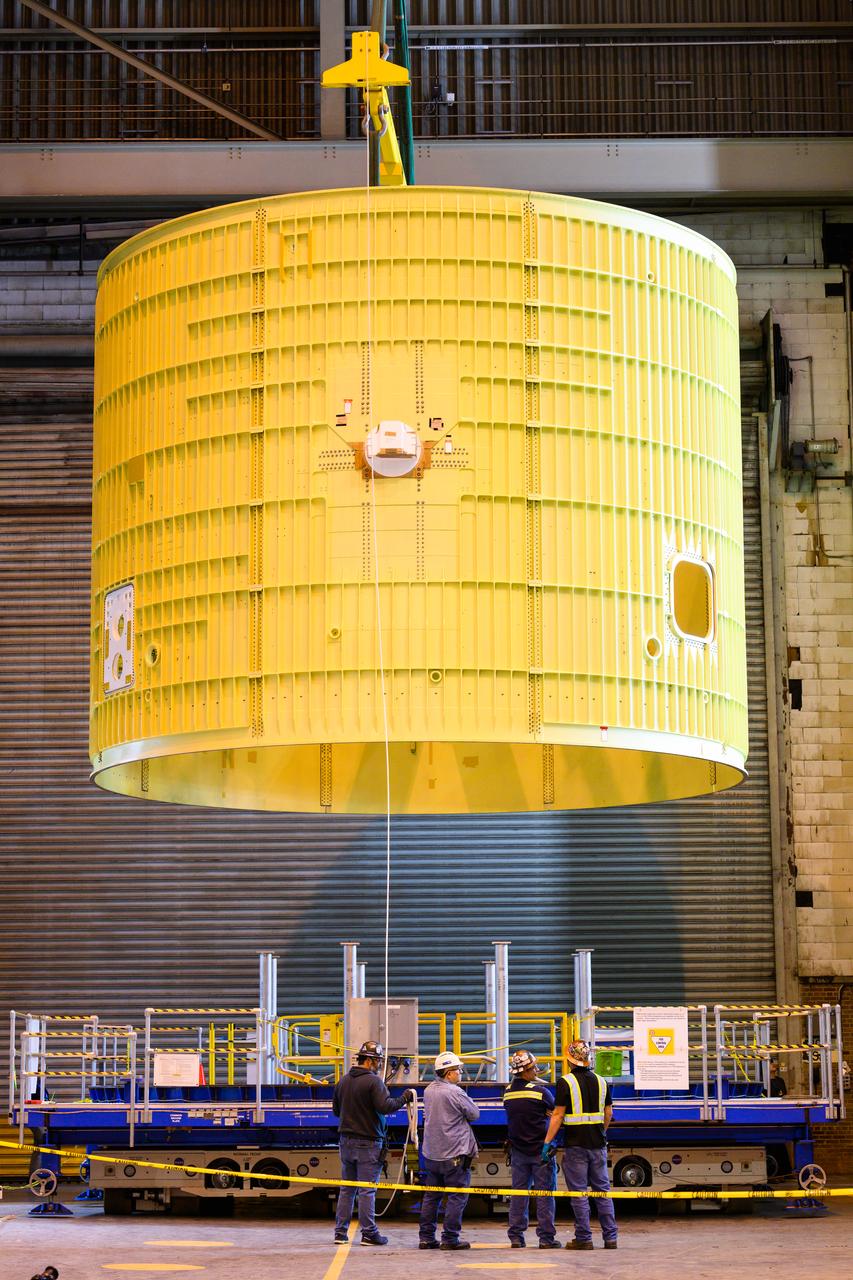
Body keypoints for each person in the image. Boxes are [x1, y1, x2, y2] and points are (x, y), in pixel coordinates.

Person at [332, 1039, 414, 1246]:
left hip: (346, 1142)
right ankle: (369, 1233)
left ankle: (340, 1233)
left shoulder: (343, 1081)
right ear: (369, 1060)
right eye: (377, 1061)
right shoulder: (373, 1082)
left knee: (347, 1189)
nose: (379, 1065)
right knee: (367, 1190)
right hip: (368, 1144)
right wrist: (405, 1097)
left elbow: (336, 1111)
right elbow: (386, 1107)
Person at [541, 1039, 617, 1251]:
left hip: (576, 1147)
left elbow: (557, 1115)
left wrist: (547, 1143)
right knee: (603, 1192)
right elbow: (609, 1113)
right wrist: (601, 1132)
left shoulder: (566, 1082)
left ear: (569, 1060)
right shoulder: (602, 1081)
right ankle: (610, 1238)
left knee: (579, 1193)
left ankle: (584, 1238)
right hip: (598, 1145)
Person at [418, 1051, 480, 1251]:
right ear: (448, 1073)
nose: (460, 1073)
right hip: (453, 1154)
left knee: (432, 1196)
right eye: (458, 1070)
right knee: (456, 1196)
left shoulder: (428, 1090)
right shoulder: (454, 1092)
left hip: (432, 1154)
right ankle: (450, 1238)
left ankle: (426, 1238)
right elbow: (474, 1114)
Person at [503, 1050, 561, 1249]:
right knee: (545, 1195)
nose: (536, 1070)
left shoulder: (508, 1092)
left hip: (518, 1151)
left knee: (519, 1194)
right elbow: (556, 1114)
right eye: (533, 1067)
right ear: (525, 1071)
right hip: (541, 1152)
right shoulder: (540, 1092)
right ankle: (546, 1239)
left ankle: (516, 1237)